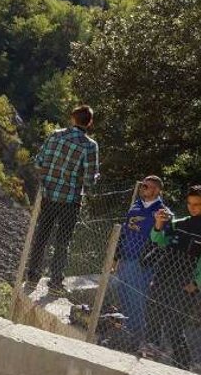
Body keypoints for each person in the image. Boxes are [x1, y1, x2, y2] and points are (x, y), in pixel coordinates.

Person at [25, 105, 101, 293]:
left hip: (49, 195)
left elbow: (38, 162)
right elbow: (90, 181)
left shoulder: (55, 135)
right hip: (70, 200)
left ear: (72, 118)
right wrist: (94, 177)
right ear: (89, 122)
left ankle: (33, 275)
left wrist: (50, 175)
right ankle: (56, 281)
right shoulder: (90, 146)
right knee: (63, 241)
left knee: (41, 236)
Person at [146, 185, 201, 370]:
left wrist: (196, 284)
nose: (192, 208)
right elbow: (159, 240)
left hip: (185, 286)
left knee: (174, 328)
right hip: (163, 278)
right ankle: (150, 350)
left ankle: (184, 366)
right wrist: (159, 225)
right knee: (153, 316)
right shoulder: (180, 223)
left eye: (197, 204)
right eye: (190, 204)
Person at [112, 175, 167, 340]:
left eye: (147, 186)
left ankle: (136, 337)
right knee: (122, 294)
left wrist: (148, 261)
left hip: (141, 263)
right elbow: (123, 232)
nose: (143, 188)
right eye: (142, 186)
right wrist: (116, 256)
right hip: (125, 259)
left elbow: (162, 241)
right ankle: (126, 331)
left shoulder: (162, 212)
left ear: (157, 190)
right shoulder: (136, 205)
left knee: (137, 300)